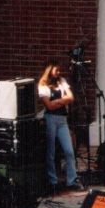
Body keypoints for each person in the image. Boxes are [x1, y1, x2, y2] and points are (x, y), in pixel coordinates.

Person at [38, 62, 82, 192]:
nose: (58, 73)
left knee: (69, 150)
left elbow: (71, 97)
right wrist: (63, 101)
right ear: (49, 71)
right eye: (56, 70)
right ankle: (53, 181)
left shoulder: (62, 81)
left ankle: (71, 180)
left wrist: (57, 101)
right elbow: (49, 106)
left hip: (63, 119)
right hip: (51, 119)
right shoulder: (42, 85)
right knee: (51, 151)